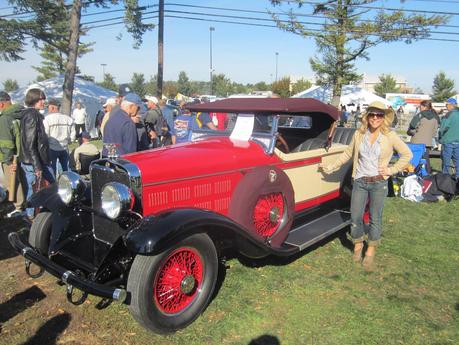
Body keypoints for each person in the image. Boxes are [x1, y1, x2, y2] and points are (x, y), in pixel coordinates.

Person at [320, 101, 412, 270]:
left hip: (379, 182)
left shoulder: (390, 136)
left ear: (383, 118)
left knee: (375, 218)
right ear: (367, 116)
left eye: (379, 115)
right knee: (355, 216)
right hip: (360, 181)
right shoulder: (359, 134)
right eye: (372, 114)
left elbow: (407, 154)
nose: (375, 118)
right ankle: (357, 244)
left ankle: (370, 251)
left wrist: (391, 170)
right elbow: (348, 153)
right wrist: (331, 167)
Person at [19, 88, 55, 220]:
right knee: (36, 187)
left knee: (36, 187)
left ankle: (33, 213)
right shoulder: (32, 115)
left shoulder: (32, 114)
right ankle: (32, 215)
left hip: (35, 160)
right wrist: (37, 166)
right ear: (33, 99)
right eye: (40, 99)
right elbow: (30, 143)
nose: (43, 101)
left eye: (43, 98)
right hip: (35, 161)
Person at [0, 91, 26, 217]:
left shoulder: (5, 118)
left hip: (10, 156)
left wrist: (8, 160)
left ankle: (19, 207)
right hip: (23, 153)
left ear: (1, 104)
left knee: (13, 182)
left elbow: (6, 143)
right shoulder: (21, 113)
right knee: (21, 179)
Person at [43, 98, 75, 175]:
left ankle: (54, 185)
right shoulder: (68, 119)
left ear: (52, 107)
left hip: (52, 148)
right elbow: (73, 134)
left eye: (49, 107)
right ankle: (65, 184)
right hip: (64, 147)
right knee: (65, 170)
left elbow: (45, 134)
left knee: (52, 170)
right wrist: (69, 141)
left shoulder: (47, 119)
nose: (48, 109)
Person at [407, 100, 440, 174]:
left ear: (425, 107)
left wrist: (412, 132)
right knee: (426, 159)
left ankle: (413, 173)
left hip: (416, 141)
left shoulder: (420, 115)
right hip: (428, 142)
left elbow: (412, 126)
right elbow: (435, 132)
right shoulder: (435, 116)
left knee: (415, 159)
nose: (419, 107)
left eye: (420, 106)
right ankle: (427, 173)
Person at [439, 97, 459, 180]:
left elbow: (442, 128)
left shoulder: (448, 114)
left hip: (448, 141)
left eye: (446, 104)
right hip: (457, 141)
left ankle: (445, 178)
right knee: (457, 161)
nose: (446, 106)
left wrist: (440, 138)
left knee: (446, 161)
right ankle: (457, 177)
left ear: (451, 105)